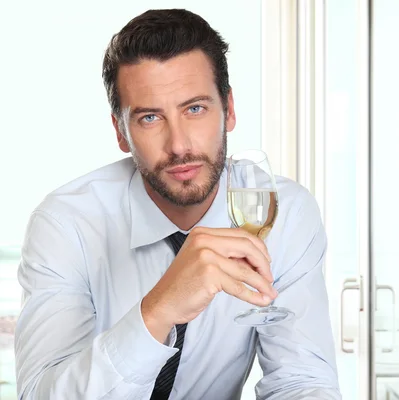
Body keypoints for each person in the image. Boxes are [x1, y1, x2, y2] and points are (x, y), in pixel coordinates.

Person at [14, 8, 340, 400]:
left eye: (195, 109)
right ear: (121, 132)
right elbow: (40, 395)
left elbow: (301, 383)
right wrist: (159, 310)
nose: (179, 145)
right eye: (150, 118)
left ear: (229, 110)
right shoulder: (66, 224)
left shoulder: (285, 213)